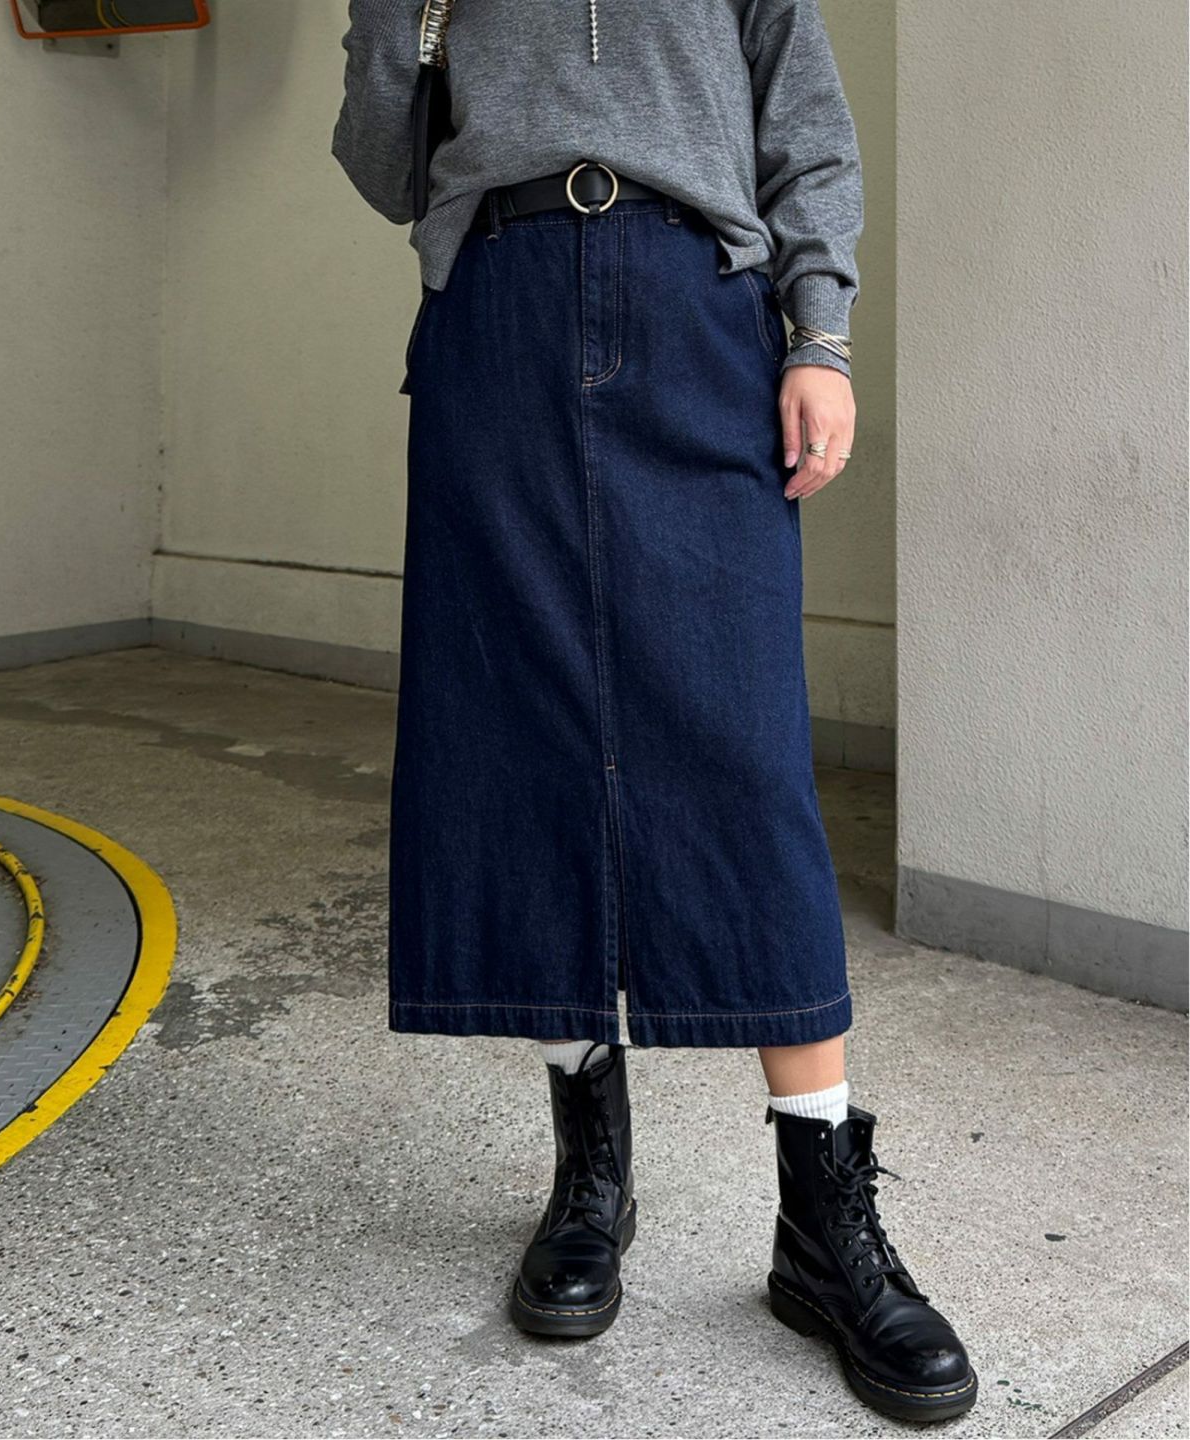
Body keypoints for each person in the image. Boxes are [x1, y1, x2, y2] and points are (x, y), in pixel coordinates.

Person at [333, 0, 976, 1423]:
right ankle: (592, 1175)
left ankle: (822, 1214)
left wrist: (822, 335)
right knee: (525, 745)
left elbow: (806, 130)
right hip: (495, 315)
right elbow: (385, 169)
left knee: (745, 756)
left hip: (699, 312)